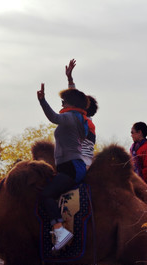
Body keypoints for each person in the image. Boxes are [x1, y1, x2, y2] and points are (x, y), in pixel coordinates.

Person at [37, 82, 91, 251]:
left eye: (64, 101)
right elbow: (77, 99)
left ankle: (60, 231)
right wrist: (70, 80)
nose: (62, 104)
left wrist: (42, 100)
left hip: (70, 167)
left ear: (71, 104)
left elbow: (53, 117)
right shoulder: (79, 118)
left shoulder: (68, 118)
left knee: (46, 194)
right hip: (72, 165)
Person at [65, 59, 97, 167]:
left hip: (80, 163)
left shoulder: (84, 122)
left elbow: (73, 98)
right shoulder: (84, 121)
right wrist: (69, 78)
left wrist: (70, 79)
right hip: (82, 161)